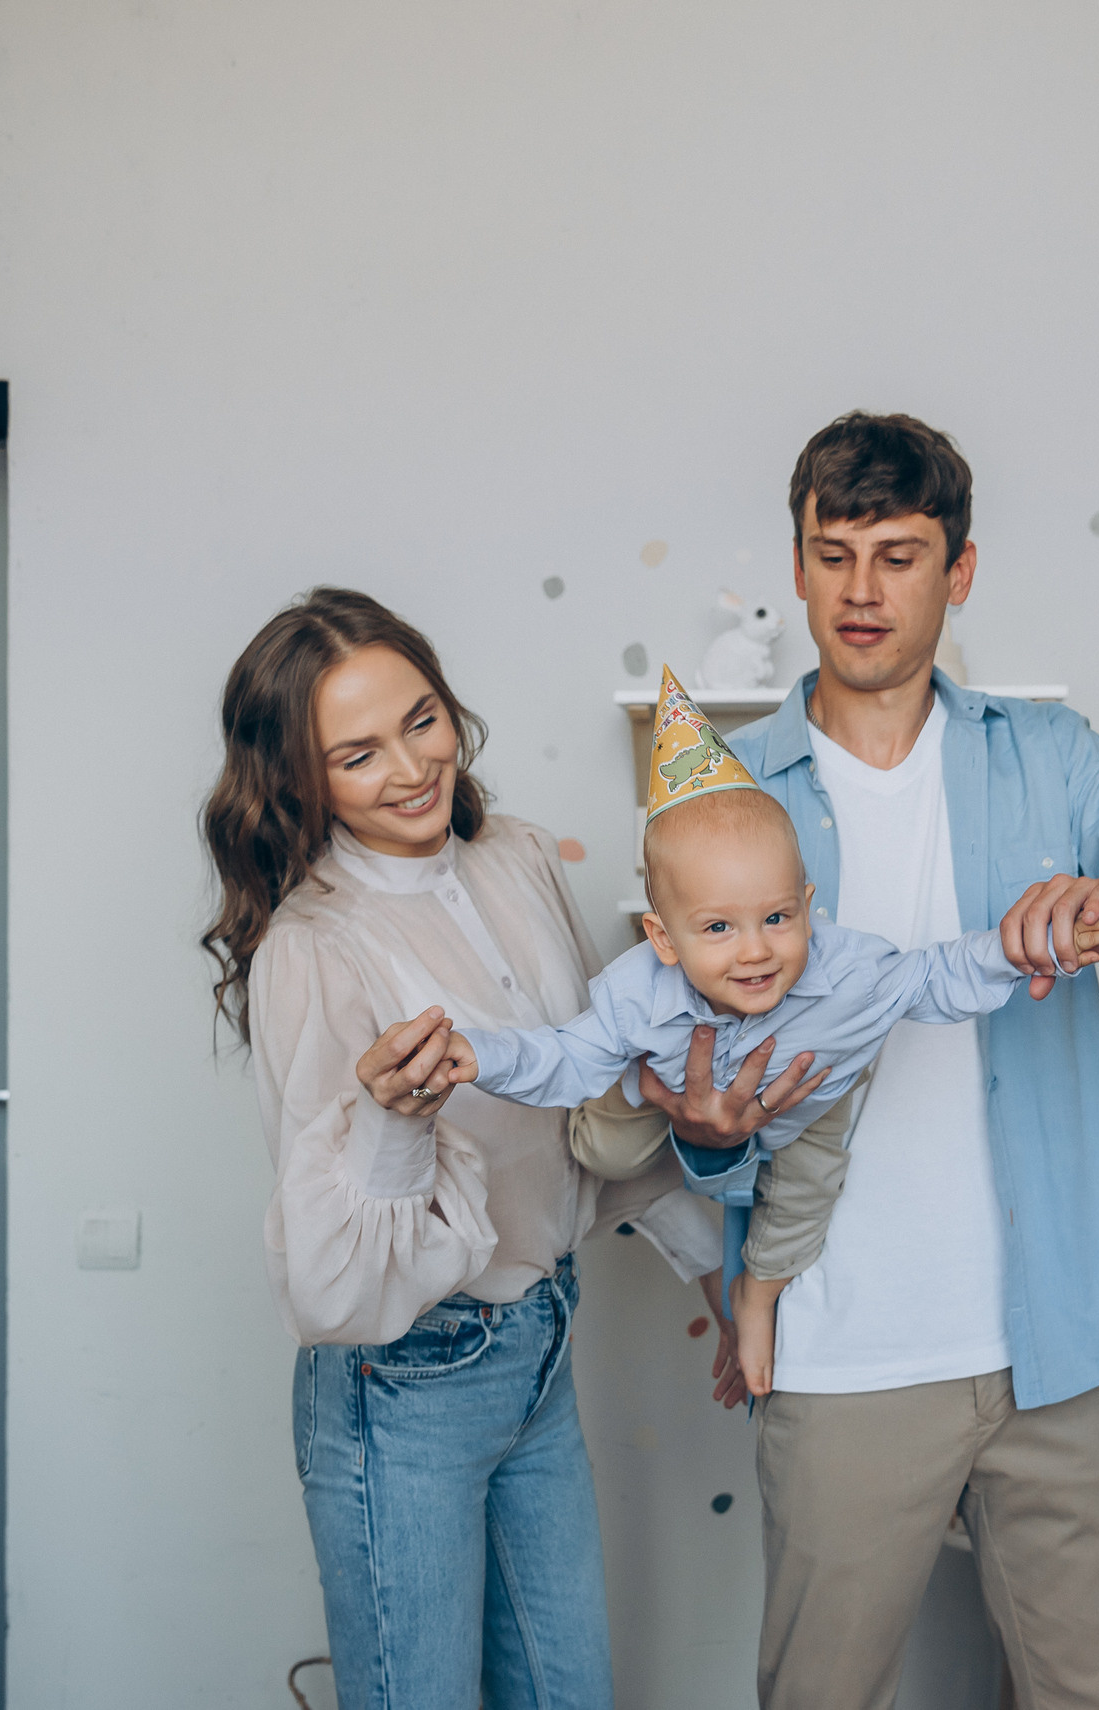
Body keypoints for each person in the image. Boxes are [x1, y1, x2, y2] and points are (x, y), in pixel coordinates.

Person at [657, 413, 1099, 1709]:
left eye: (900, 552)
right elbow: (675, 1063)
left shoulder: (1047, 757)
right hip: (840, 1349)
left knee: (1090, 1695)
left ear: (963, 567)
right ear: (798, 564)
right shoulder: (728, 794)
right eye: (835, 553)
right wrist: (708, 1145)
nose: (864, 589)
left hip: (1060, 1340)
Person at [198, 588, 812, 1710]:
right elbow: (330, 1288)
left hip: (539, 1341)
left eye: (421, 720)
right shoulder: (313, 946)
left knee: (565, 1692)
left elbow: (601, 1115)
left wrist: (723, 1277)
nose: (410, 768)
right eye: (357, 754)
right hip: (402, 1380)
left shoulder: (516, 858)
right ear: (298, 778)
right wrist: (394, 1125)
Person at [398, 670, 1099, 1395]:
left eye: (777, 918)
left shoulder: (851, 972)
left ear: (808, 905)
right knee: (608, 1148)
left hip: (808, 1098)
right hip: (668, 1075)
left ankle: (758, 1296)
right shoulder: (639, 994)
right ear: (663, 937)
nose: (754, 950)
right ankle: (636, 1107)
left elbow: (943, 973)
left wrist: (1035, 946)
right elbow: (557, 1055)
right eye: (717, 928)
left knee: (808, 1195)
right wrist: (478, 1054)